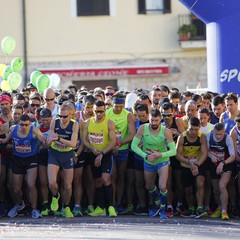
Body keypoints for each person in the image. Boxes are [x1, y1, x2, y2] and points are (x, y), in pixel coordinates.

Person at [131, 108, 176, 219]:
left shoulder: (166, 131)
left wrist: (159, 155)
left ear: (160, 119)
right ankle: (156, 201)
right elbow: (133, 146)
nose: (154, 123)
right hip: (148, 160)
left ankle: (162, 207)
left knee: (162, 186)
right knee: (149, 186)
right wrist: (145, 156)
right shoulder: (142, 128)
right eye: (152, 120)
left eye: (156, 120)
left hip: (162, 160)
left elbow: (173, 151)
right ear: (149, 119)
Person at [2, 114, 46, 218]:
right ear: (19, 124)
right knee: (16, 188)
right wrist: (2, 141)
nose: (24, 127)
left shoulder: (34, 130)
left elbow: (43, 140)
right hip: (17, 159)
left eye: (26, 125)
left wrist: (47, 140)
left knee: (31, 184)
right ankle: (20, 205)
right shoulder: (13, 129)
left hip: (31, 159)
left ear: (30, 124)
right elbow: (5, 141)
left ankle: (34, 209)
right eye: (22, 124)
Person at [82, 100, 117, 217]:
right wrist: (92, 148)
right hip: (93, 154)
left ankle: (111, 207)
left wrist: (102, 153)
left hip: (106, 153)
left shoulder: (109, 123)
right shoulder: (87, 123)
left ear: (105, 111)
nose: (98, 114)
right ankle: (100, 207)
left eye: (101, 111)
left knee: (106, 178)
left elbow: (113, 141)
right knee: (97, 181)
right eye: (96, 111)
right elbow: (84, 139)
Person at [46, 104, 79, 218]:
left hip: (67, 154)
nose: (63, 119)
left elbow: (74, 144)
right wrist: (49, 141)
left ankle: (67, 207)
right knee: (51, 182)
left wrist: (59, 139)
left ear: (70, 115)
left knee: (68, 185)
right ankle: (55, 196)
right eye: (60, 116)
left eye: (65, 116)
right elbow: (48, 142)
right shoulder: (54, 122)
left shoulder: (74, 124)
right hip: (55, 153)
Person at [106, 93, 136, 214]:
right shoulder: (107, 113)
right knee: (111, 176)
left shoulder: (128, 115)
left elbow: (132, 134)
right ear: (112, 104)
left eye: (120, 106)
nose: (118, 109)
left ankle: (118, 203)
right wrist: (112, 145)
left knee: (121, 177)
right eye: (116, 106)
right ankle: (111, 203)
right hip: (110, 149)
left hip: (122, 149)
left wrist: (119, 143)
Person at [176, 117, 208, 218]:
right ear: (187, 127)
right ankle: (190, 208)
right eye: (191, 129)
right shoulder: (182, 137)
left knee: (200, 183)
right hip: (185, 164)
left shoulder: (201, 136)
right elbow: (177, 154)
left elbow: (204, 153)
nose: (194, 132)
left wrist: (197, 164)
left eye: (196, 129)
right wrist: (188, 162)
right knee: (188, 189)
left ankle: (199, 207)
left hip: (198, 164)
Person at [160, 102, 185, 217]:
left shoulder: (178, 121)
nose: (166, 118)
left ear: (173, 113)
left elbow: (184, 135)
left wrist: (177, 133)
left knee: (179, 181)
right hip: (165, 154)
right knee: (168, 182)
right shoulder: (159, 123)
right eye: (164, 115)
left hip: (176, 154)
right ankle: (169, 205)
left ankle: (179, 203)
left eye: (169, 115)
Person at [207, 123, 235, 220]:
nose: (218, 136)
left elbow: (233, 156)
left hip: (226, 163)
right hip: (213, 163)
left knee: (222, 185)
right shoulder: (209, 136)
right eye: (217, 134)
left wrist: (223, 163)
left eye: (221, 134)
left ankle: (224, 210)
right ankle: (219, 207)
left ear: (224, 132)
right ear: (213, 131)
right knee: (215, 189)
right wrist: (210, 156)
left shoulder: (228, 138)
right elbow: (205, 150)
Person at [37, 108, 52, 216]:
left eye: (47, 120)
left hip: (54, 155)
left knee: (55, 182)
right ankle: (45, 204)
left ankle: (57, 204)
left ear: (51, 118)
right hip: (43, 155)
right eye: (43, 120)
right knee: (43, 182)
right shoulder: (38, 128)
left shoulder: (54, 127)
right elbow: (37, 145)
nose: (45, 122)